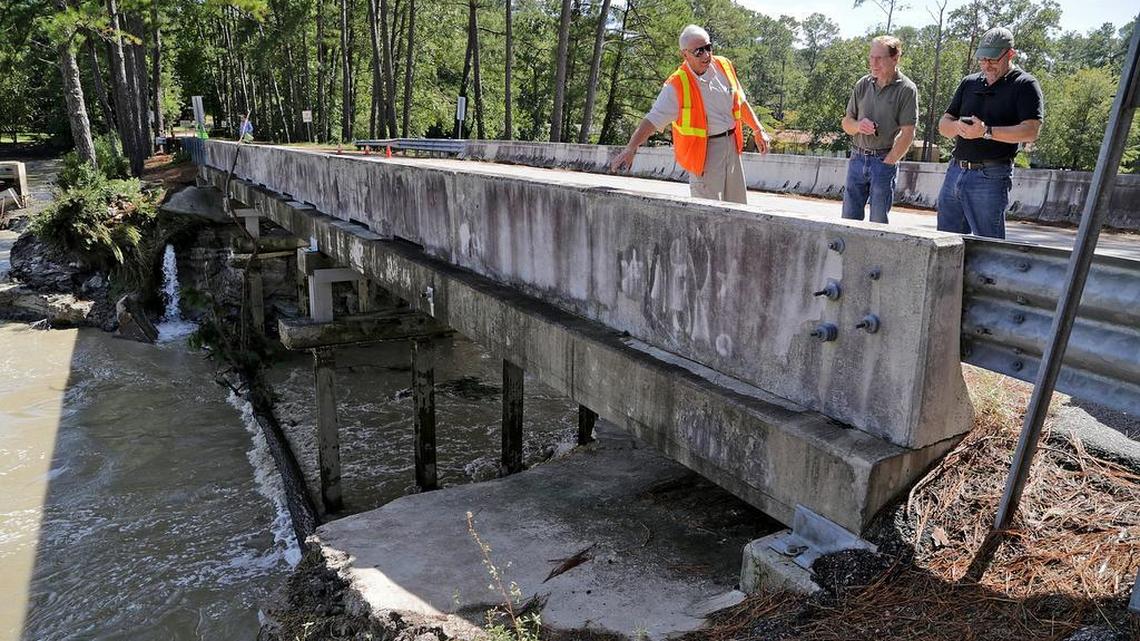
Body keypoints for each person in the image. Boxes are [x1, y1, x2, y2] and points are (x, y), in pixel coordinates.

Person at [609, 24, 769, 204]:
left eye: (708, 47)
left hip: (732, 146)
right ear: (684, 54)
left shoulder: (724, 65)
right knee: (708, 213)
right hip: (705, 153)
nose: (707, 55)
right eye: (699, 51)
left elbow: (740, 101)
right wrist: (631, 148)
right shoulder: (677, 85)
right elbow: (652, 119)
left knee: (739, 207)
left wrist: (757, 129)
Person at [936, 27, 1043, 239]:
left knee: (988, 245)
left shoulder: (1025, 84)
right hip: (955, 170)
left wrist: (985, 132)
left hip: (991, 175)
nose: (986, 65)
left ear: (1010, 54)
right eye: (982, 59)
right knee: (945, 242)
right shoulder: (969, 83)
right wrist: (958, 127)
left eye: (993, 60)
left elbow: (1031, 131)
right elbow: (943, 124)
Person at [840, 35, 918, 224]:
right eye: (871, 57)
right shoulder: (863, 84)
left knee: (878, 222)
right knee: (848, 221)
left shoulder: (907, 89)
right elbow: (846, 123)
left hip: (883, 160)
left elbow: (908, 133)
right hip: (857, 158)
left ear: (895, 58)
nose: (873, 63)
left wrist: (889, 161)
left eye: (879, 58)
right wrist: (859, 125)